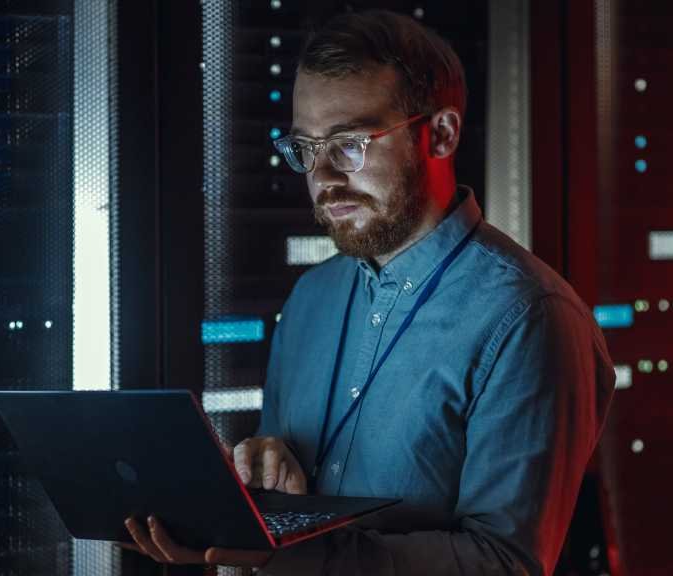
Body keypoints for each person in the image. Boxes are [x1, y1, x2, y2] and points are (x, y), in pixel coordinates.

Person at [122, 9, 615, 575]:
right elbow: (285, 488)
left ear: (442, 134)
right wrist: (264, 480)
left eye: (350, 144)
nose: (324, 177)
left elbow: (505, 564)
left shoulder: (530, 317)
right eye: (307, 148)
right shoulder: (309, 300)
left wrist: (295, 555)